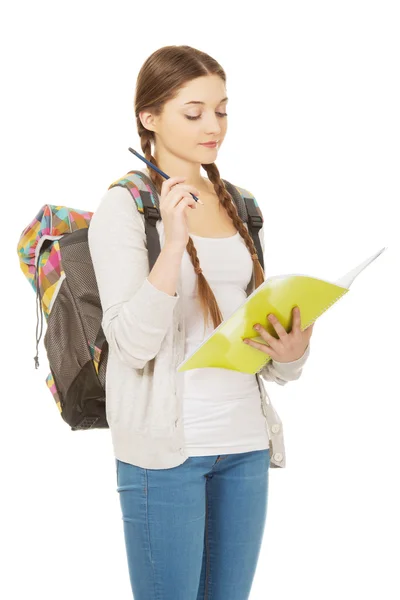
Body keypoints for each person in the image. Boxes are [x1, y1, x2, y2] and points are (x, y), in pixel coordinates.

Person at [88, 44, 313, 600]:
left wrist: (292, 355)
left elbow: (256, 333)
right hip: (164, 455)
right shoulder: (127, 205)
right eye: (194, 113)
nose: (213, 125)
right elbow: (131, 345)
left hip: (245, 445)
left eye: (222, 109)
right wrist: (173, 242)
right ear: (150, 117)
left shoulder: (242, 204)